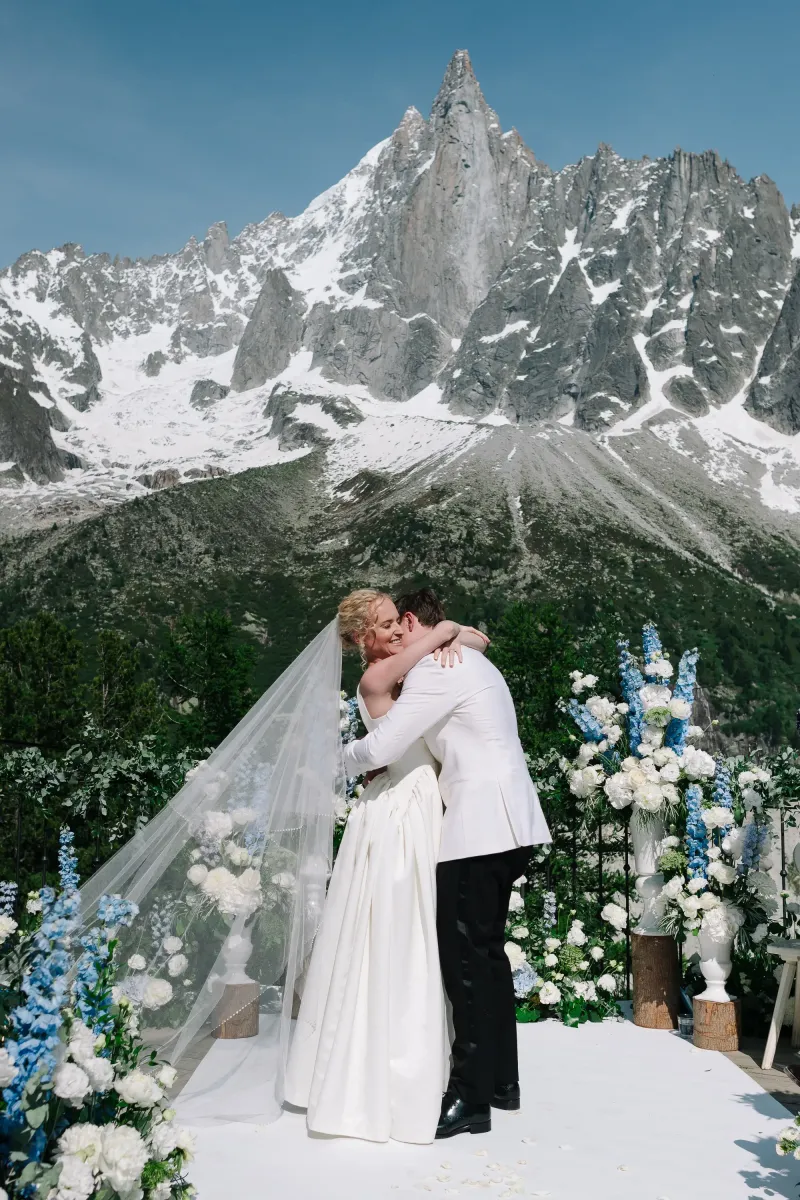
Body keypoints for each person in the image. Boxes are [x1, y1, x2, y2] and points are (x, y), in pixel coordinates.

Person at [283, 588, 490, 1143]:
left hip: (422, 802)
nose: (397, 631)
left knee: (417, 933)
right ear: (359, 641)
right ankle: (383, 1079)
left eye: (396, 621)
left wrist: (455, 637)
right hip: (402, 812)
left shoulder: (407, 664)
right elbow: (451, 638)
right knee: (397, 934)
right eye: (381, 627)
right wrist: (445, 635)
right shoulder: (376, 679)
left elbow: (472, 640)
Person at [344, 588, 551, 1139]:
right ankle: (502, 1083)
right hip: (509, 824)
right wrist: (456, 632)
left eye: (397, 626)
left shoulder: (438, 668)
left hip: (480, 829)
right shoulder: (468, 656)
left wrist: (343, 758)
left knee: (464, 964)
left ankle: (469, 1099)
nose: (395, 642)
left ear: (410, 621)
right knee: (486, 957)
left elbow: (383, 744)